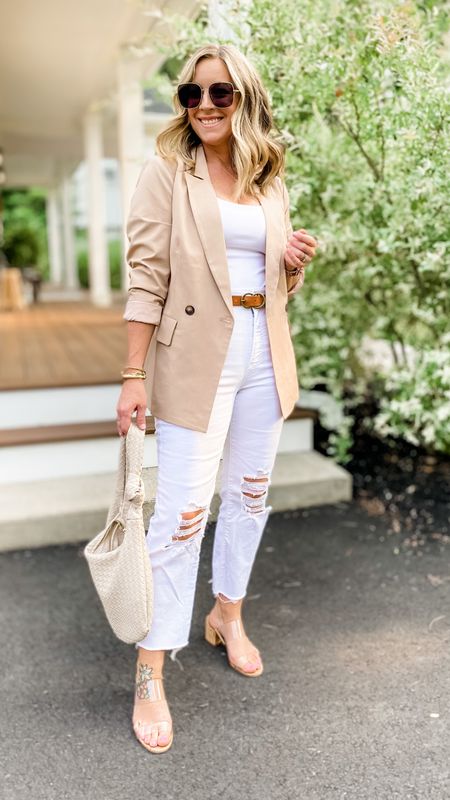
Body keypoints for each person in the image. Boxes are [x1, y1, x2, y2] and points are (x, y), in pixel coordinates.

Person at [116, 43, 318, 754]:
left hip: (263, 353)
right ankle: (150, 667)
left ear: (245, 98)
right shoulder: (166, 171)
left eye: (220, 93)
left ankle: (226, 612)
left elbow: (267, 285)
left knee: (252, 494)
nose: (203, 105)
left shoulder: (267, 178)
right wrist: (132, 375)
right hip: (194, 360)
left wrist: (289, 266)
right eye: (191, 94)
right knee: (180, 515)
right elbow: (145, 275)